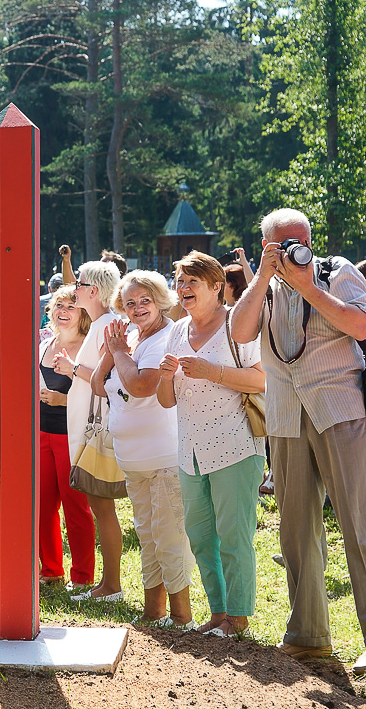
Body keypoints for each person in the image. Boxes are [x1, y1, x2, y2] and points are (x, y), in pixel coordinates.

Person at [230, 209, 366, 671]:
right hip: (286, 415)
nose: (293, 250)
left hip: (340, 410)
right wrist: (263, 276)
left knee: (360, 527)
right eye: (281, 243)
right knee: (295, 531)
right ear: (265, 244)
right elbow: (240, 332)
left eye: (300, 240)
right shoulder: (261, 289)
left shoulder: (337, 271)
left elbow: (361, 326)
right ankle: (308, 636)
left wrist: (310, 288)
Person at [156, 251, 265, 637]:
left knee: (234, 537)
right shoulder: (175, 329)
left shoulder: (237, 325)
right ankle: (218, 614)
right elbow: (165, 400)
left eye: (192, 282)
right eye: (180, 281)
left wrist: (211, 371)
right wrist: (166, 377)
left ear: (217, 287)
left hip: (235, 447)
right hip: (191, 452)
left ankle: (238, 618)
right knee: (202, 538)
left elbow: (262, 380)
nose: (183, 288)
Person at [91, 270, 194, 629]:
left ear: (160, 300)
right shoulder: (130, 337)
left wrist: (119, 351)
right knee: (147, 535)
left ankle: (182, 616)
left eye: (144, 301)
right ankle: (154, 611)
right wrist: (113, 350)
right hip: (132, 459)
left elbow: (141, 386)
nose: (137, 309)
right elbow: (97, 385)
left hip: (164, 457)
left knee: (169, 538)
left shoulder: (167, 337)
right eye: (130, 303)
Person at [51, 260, 124, 601]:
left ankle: (110, 586)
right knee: (100, 506)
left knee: (102, 507)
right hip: (94, 426)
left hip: (100, 429)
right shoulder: (103, 323)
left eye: (79, 284)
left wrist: (71, 367)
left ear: (92, 291)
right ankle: (107, 584)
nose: (74, 288)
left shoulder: (105, 325)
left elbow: (106, 380)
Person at [37, 286, 94, 588]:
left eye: (71, 305)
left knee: (76, 508)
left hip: (73, 438)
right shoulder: (44, 344)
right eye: (59, 304)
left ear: (83, 312)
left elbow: (100, 395)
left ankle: (83, 577)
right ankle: (51, 571)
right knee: (43, 506)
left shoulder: (89, 347)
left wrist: (64, 400)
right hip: (42, 435)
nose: (63, 310)